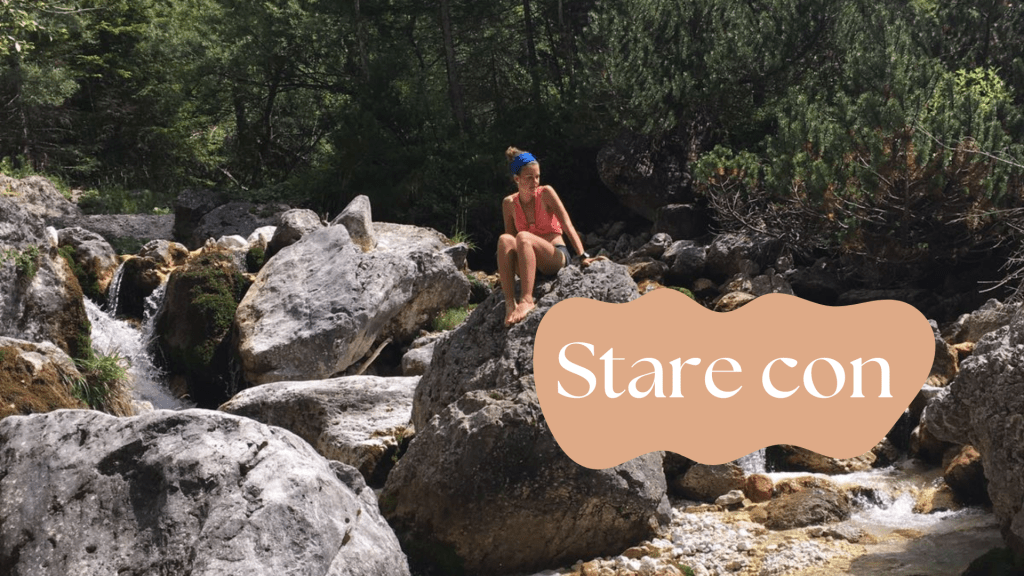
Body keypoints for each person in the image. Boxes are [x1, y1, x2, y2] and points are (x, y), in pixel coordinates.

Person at [497, 147, 594, 326]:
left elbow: (567, 225)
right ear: (517, 179)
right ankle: (510, 304)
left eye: (537, 176)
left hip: (555, 256)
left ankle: (527, 300)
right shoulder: (509, 203)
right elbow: (510, 242)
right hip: (527, 261)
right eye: (529, 177)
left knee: (523, 237)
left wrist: (583, 256)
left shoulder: (546, 193)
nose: (535, 182)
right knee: (504, 239)